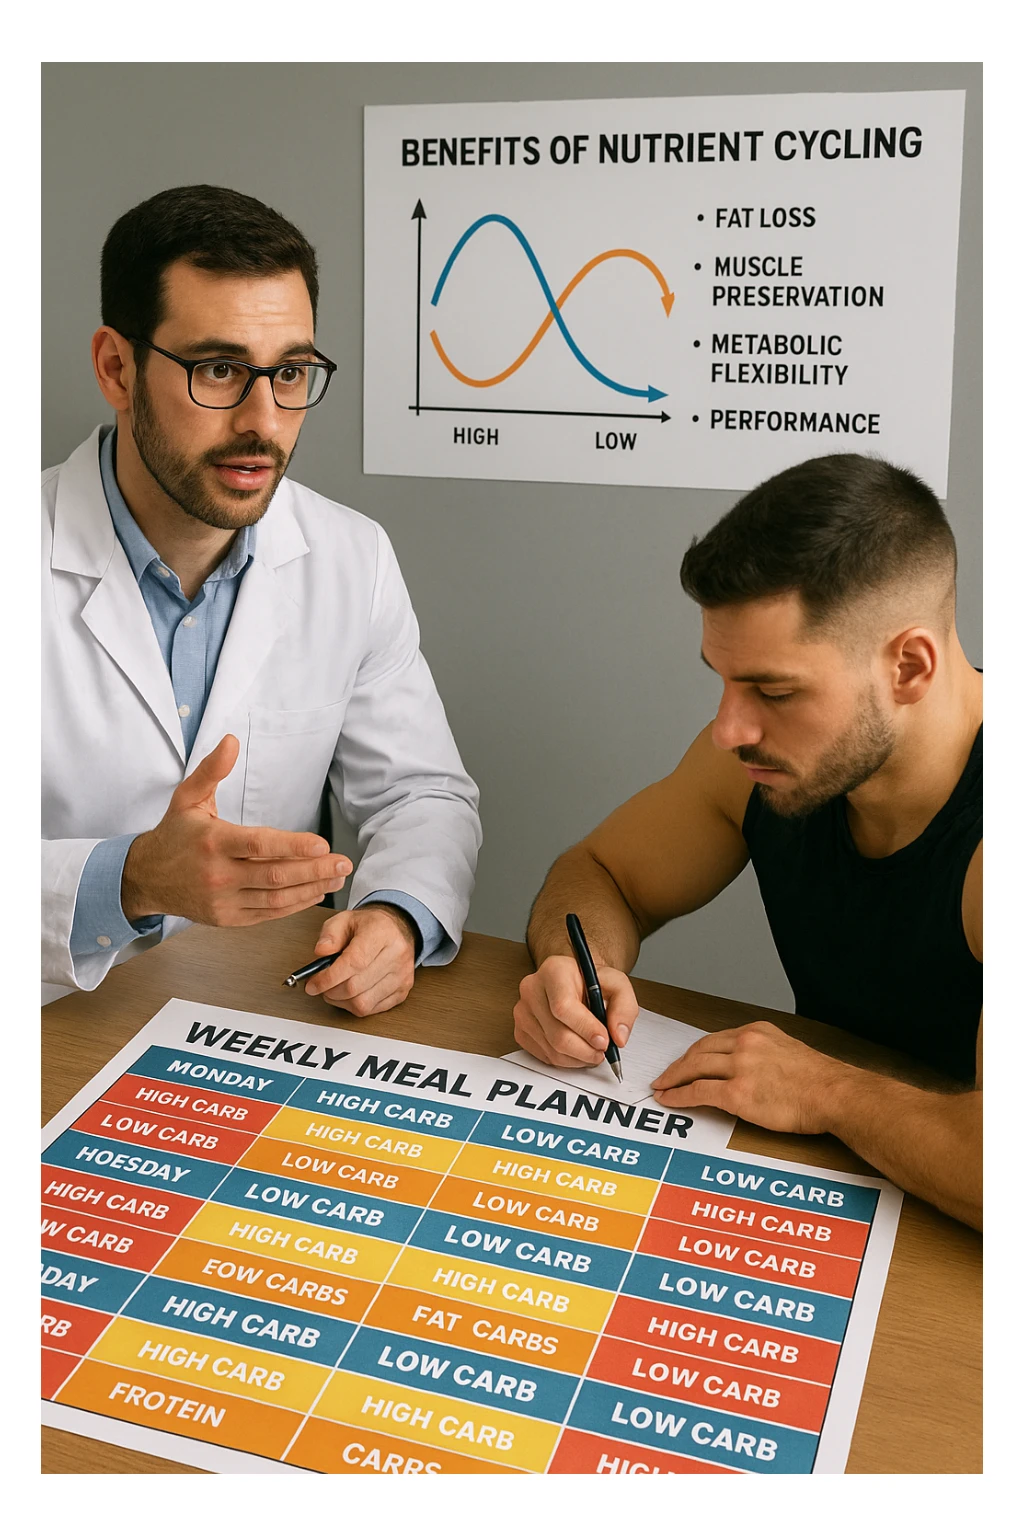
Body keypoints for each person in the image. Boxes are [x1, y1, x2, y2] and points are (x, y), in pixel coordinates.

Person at [42, 184, 481, 1014]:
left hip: (251, 1017)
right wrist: (130, 879)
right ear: (116, 368)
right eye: (219, 369)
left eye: (290, 373)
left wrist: (396, 916)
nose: (265, 421)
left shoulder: (350, 557)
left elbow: (419, 793)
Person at [514, 454, 982, 1230]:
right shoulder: (758, 764)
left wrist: (826, 1090)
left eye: (774, 690)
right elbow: (601, 872)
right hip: (853, 1192)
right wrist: (578, 968)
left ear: (908, 666)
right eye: (723, 680)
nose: (728, 729)